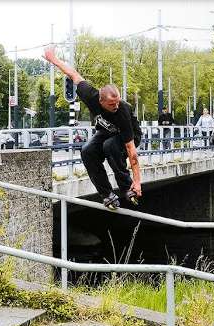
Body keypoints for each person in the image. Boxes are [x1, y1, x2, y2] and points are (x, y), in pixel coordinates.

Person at [43, 45, 142, 210]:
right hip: (105, 132)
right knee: (87, 150)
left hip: (129, 136)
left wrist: (137, 181)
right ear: (101, 102)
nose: (116, 106)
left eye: (117, 101)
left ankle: (128, 188)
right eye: (111, 104)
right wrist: (53, 58)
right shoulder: (90, 95)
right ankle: (107, 195)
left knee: (110, 146)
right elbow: (73, 74)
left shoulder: (122, 111)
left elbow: (131, 150)